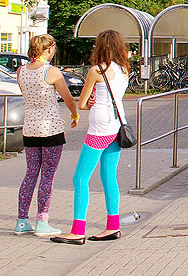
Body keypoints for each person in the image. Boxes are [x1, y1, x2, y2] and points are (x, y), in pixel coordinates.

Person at [51, 29, 130, 245]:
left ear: (100, 46)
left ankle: (77, 230)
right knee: (108, 176)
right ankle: (113, 226)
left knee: (80, 178)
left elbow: (83, 103)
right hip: (117, 124)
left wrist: (91, 101)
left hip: (99, 127)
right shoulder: (123, 69)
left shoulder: (97, 70)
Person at [14, 34, 79, 237]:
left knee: (31, 173)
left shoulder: (21, 72)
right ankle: (42, 219)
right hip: (50, 129)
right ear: (49, 49)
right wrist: (74, 113)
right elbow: (68, 98)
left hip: (30, 128)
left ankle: (22, 220)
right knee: (47, 176)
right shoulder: (51, 72)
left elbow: (27, 96)